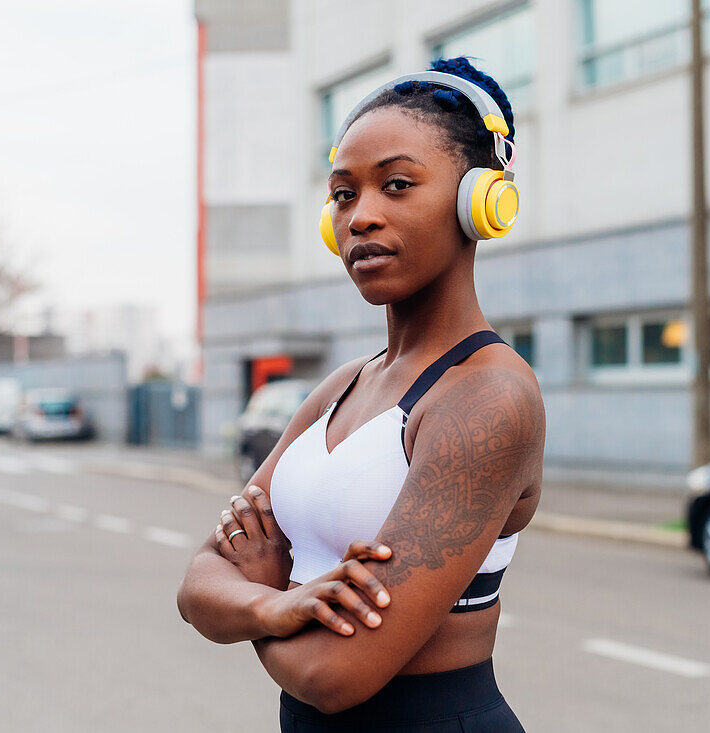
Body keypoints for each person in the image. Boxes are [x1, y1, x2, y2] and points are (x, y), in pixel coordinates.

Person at [177, 57, 544, 732]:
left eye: (397, 185)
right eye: (343, 195)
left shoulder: (490, 397)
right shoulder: (340, 386)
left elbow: (335, 675)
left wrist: (259, 595)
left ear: (480, 200)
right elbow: (198, 583)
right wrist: (276, 607)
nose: (362, 217)